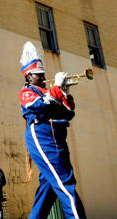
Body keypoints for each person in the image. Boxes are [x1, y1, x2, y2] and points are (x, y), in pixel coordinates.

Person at [19, 42, 85, 219]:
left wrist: (65, 94)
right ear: (28, 76)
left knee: (47, 189)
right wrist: (56, 90)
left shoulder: (49, 93)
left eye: (43, 75)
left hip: (57, 140)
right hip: (42, 137)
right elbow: (39, 106)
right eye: (38, 75)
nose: (42, 78)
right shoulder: (27, 92)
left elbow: (68, 114)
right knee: (66, 185)